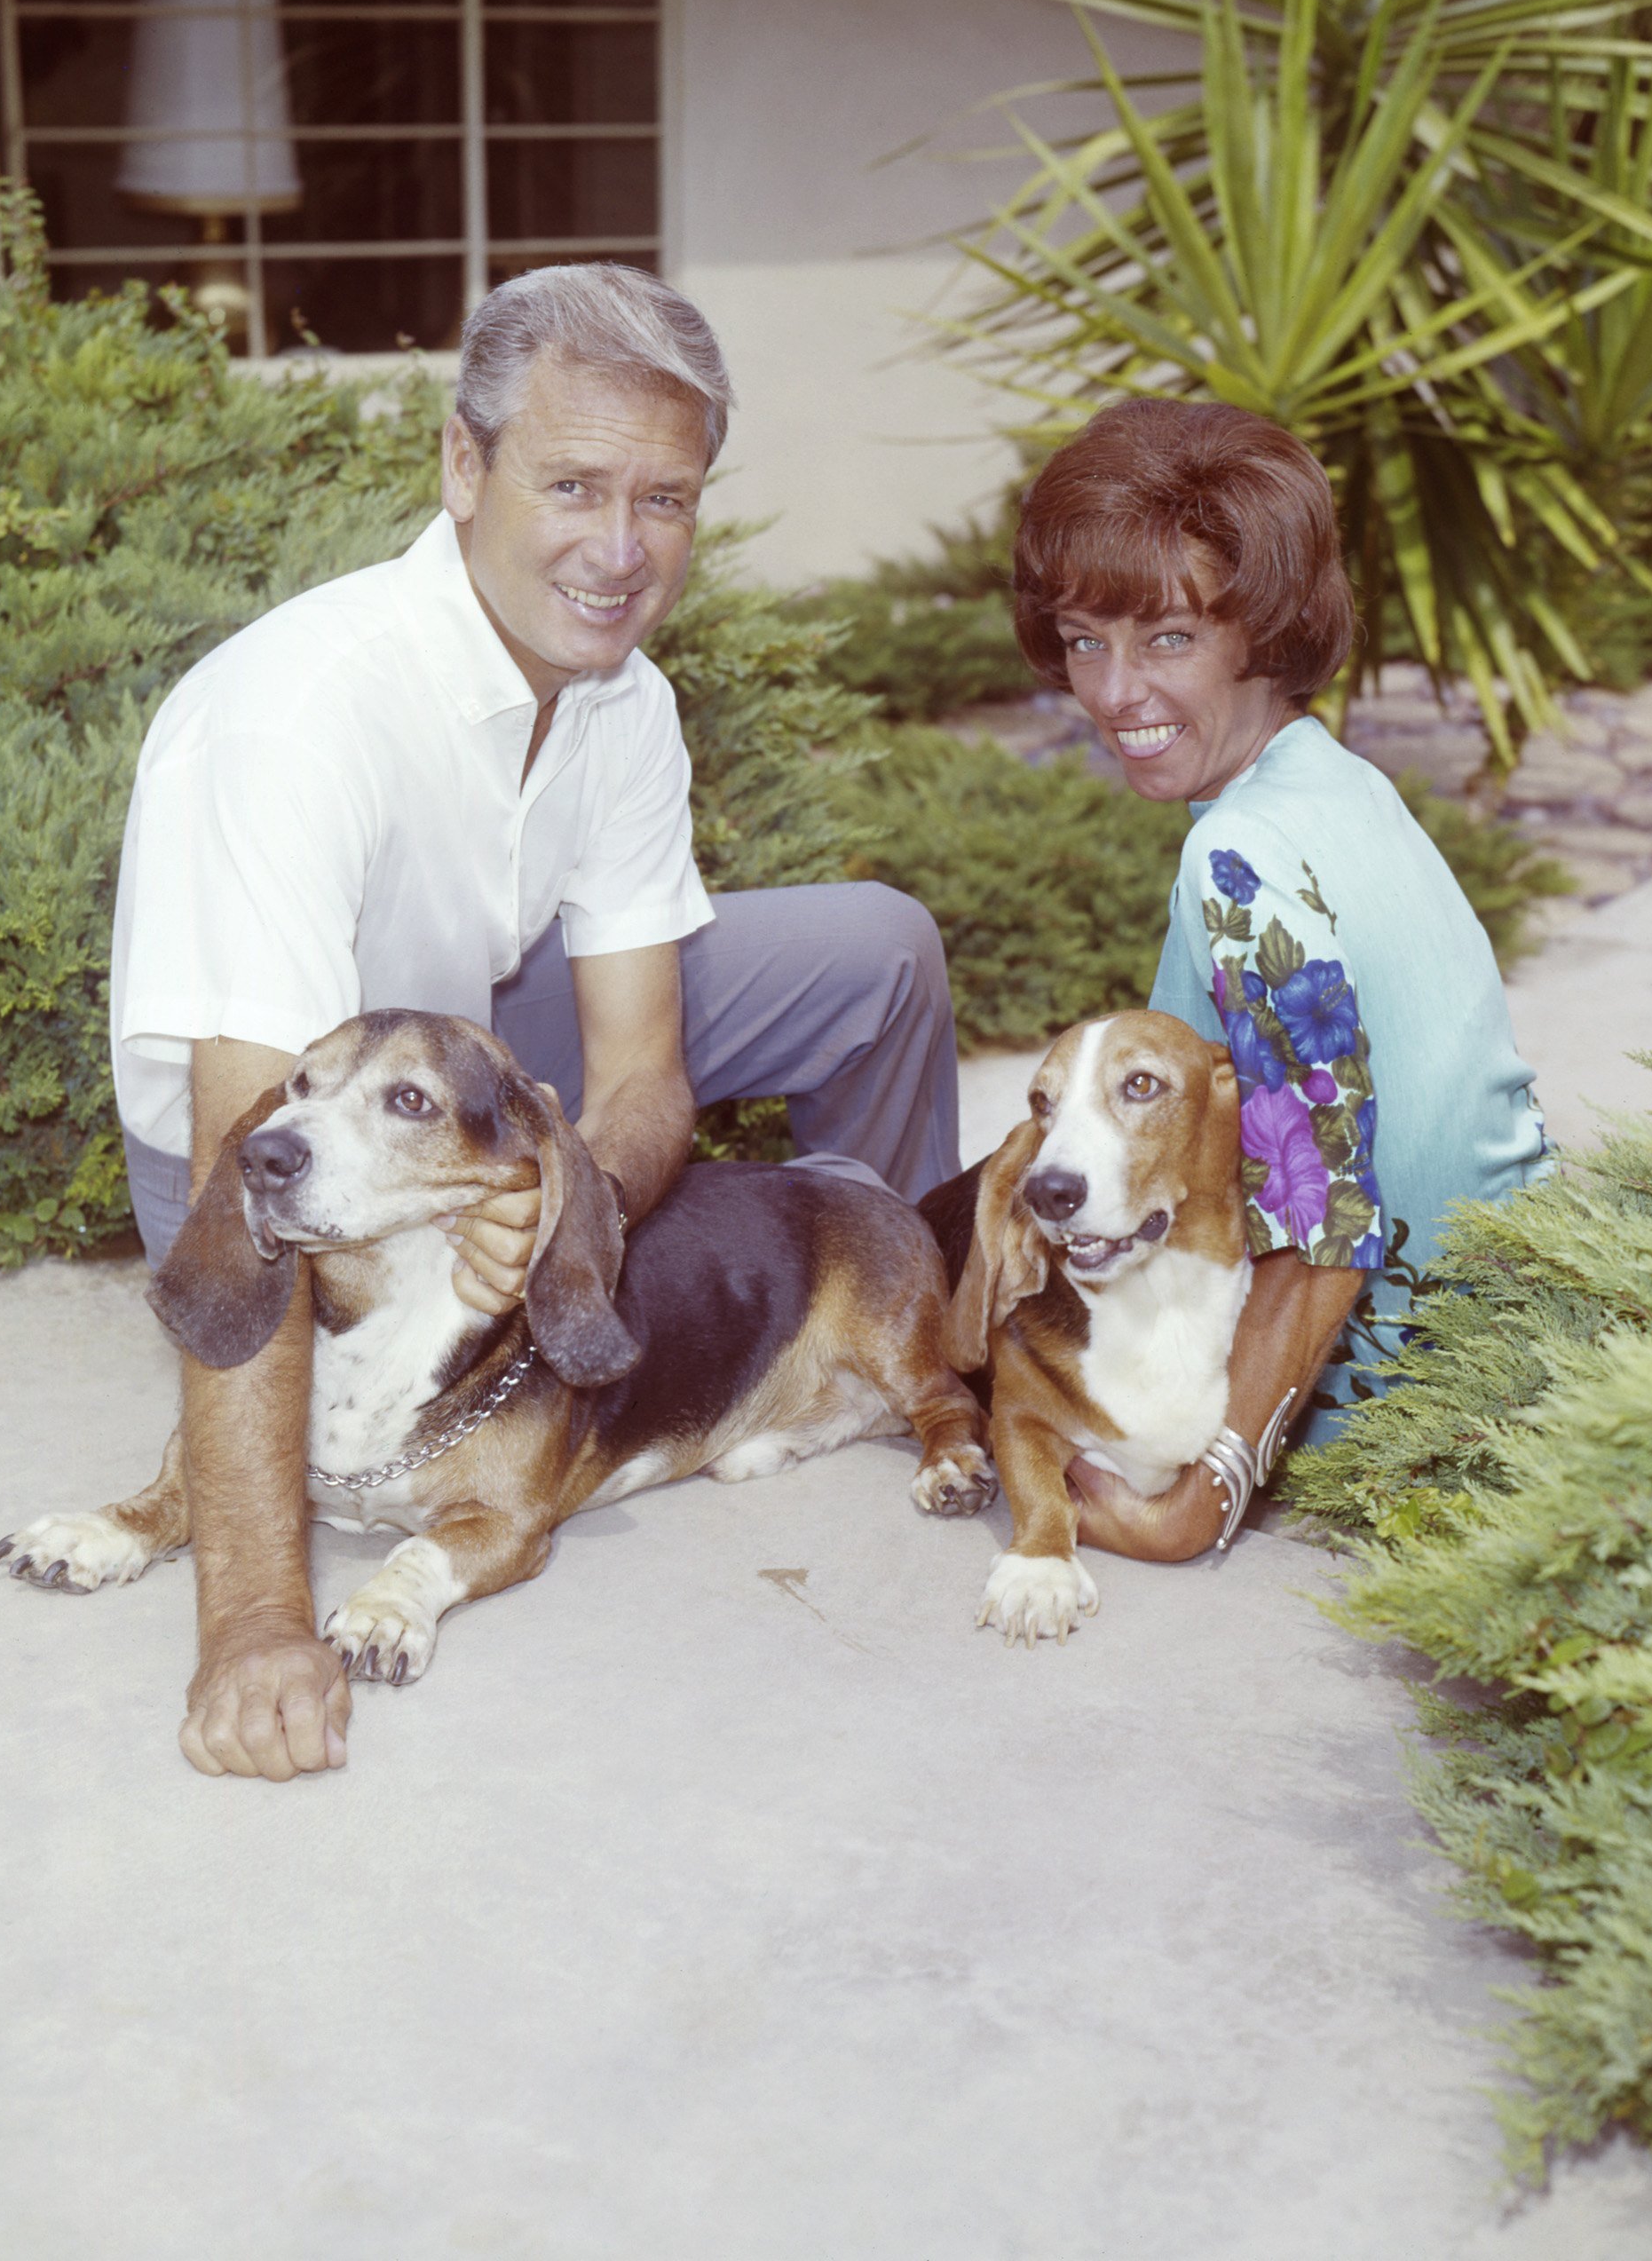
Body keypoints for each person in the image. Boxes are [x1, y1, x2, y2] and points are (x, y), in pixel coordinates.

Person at [111, 264, 957, 1782]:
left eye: (668, 501)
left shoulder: (623, 697)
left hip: (478, 1070)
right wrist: (254, 1625)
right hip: (271, 1115)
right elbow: (254, 1149)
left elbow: (640, 1071)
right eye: (572, 485)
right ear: (461, 464)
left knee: (877, 952)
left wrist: (557, 1219)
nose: (621, 552)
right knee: (284, 1205)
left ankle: (899, 1341)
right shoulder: (296, 720)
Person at [1003, 397, 1551, 1564]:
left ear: (1262, 630)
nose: (1110, 692)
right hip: (1515, 1303)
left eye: (1166, 640)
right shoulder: (1337, 782)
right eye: (1084, 639)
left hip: (1395, 1381)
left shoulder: (1235, 859)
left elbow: (1328, 1217)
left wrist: (1204, 1500)